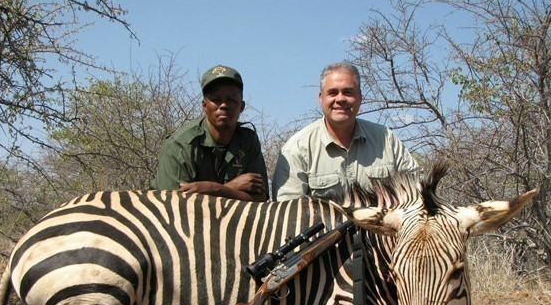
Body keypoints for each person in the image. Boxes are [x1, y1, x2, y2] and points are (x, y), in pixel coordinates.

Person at [272, 62, 419, 202]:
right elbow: (289, 213)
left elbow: (418, 194)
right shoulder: (297, 148)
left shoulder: (386, 139)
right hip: (323, 228)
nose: (340, 99)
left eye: (348, 92)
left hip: (382, 228)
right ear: (321, 98)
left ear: (360, 97)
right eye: (333, 93)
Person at [154, 65, 268, 201]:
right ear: (204, 106)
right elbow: (175, 203)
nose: (224, 105)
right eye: (216, 99)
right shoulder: (180, 144)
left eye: (231, 100)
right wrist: (230, 187)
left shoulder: (248, 140)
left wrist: (212, 189)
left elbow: (260, 198)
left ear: (241, 107)